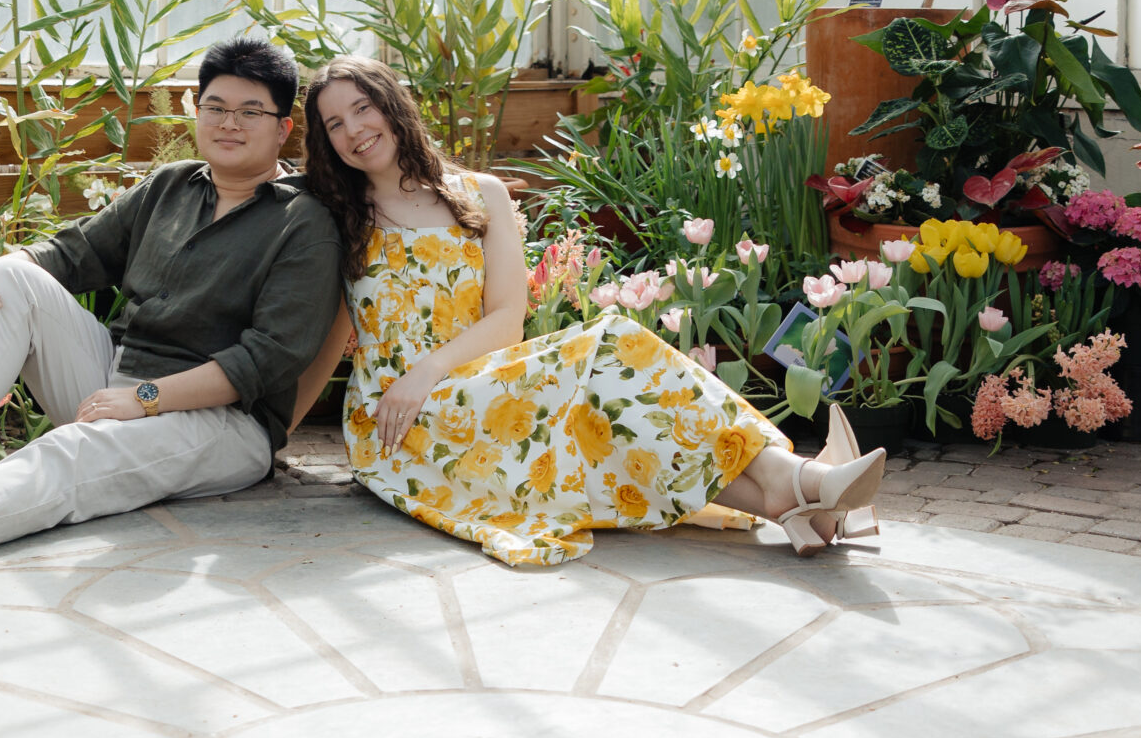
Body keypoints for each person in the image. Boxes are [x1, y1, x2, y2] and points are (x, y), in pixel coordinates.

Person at [289, 55, 886, 567]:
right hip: (399, 418)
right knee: (609, 347)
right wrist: (274, 435)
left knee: (611, 398)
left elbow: (506, 319)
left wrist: (429, 371)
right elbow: (327, 335)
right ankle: (802, 482)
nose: (354, 130)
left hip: (472, 380)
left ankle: (791, 498)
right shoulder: (335, 216)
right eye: (334, 124)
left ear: (392, 106)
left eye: (362, 108)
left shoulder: (480, 194)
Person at [0, 36, 343, 574]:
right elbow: (72, 253)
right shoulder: (171, 186)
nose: (229, 123)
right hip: (114, 383)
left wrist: (146, 397)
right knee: (7, 277)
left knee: (71, 452)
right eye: (216, 107)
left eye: (250, 111)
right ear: (198, 112)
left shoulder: (303, 222)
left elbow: (268, 357)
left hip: (222, 424)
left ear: (283, 128)